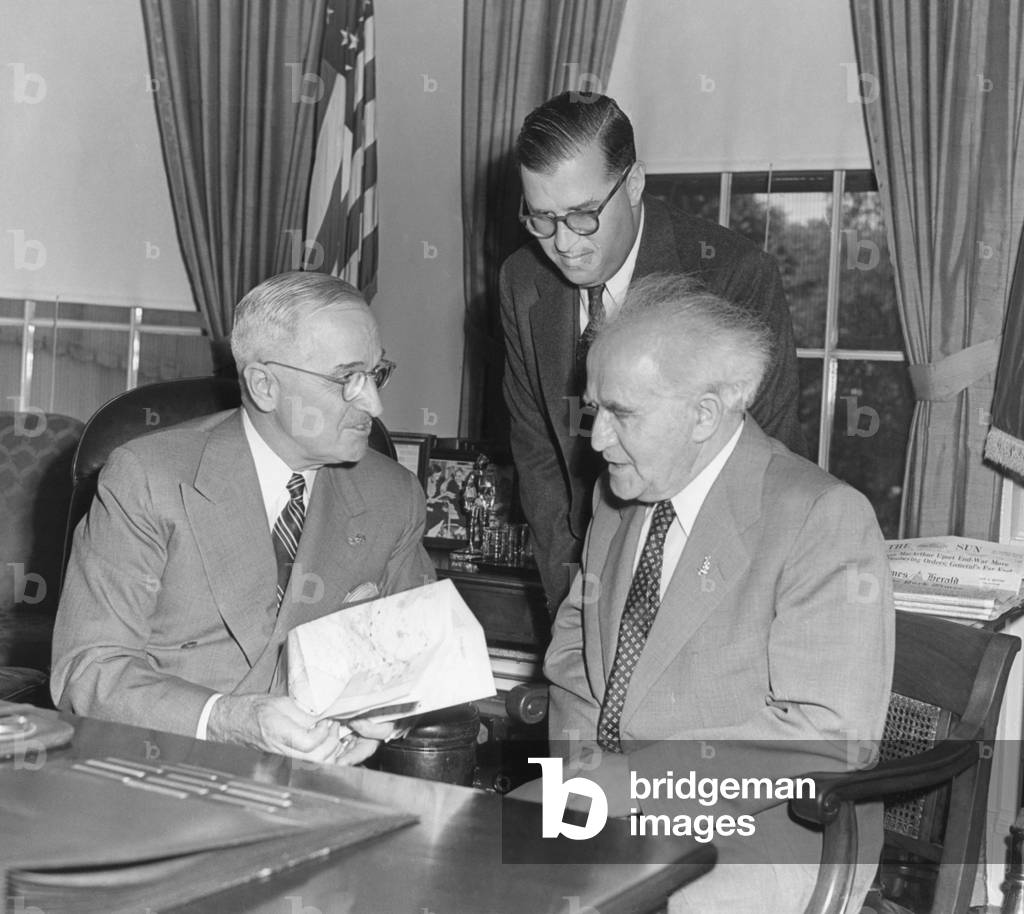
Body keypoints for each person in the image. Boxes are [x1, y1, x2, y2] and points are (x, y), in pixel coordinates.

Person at [522, 274, 893, 912]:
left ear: (705, 414)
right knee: (465, 858)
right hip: (606, 798)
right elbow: (572, 667)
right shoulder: (618, 497)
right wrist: (583, 784)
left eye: (623, 414)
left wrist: (633, 789)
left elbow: (830, 733)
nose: (599, 440)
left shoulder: (822, 517)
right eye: (594, 411)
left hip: (772, 824)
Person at [52, 272, 434, 766]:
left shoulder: (394, 494)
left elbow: (419, 656)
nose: (374, 404)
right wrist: (228, 719)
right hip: (157, 768)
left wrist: (383, 716)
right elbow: (87, 669)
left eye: (376, 374)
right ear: (264, 385)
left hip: (317, 785)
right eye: (347, 379)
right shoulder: (148, 478)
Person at [501, 91, 805, 609]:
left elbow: (763, 465)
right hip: (581, 583)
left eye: (583, 214)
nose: (564, 244)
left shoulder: (730, 275)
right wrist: (573, 602)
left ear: (634, 183)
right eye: (541, 218)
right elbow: (536, 456)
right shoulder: (522, 281)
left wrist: (688, 603)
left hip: (705, 581)